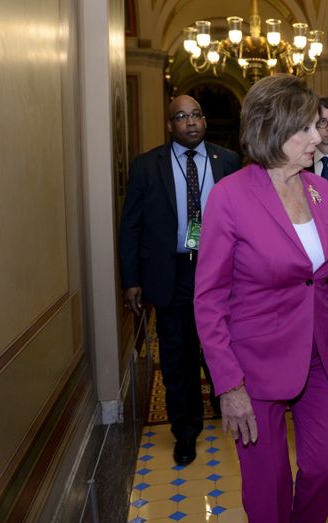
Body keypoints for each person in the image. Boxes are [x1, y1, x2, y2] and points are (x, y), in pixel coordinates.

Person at [194, 74, 328, 523]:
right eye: (307, 128)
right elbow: (209, 299)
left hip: (318, 356)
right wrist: (228, 385)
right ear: (273, 131)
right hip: (253, 367)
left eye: (318, 126)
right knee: (267, 484)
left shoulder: (320, 192)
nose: (319, 137)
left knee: (326, 468)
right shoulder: (230, 197)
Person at [119, 95, 240, 466]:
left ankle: (227, 404)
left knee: (222, 345)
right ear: (170, 124)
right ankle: (186, 432)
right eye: (181, 117)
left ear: (205, 120)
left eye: (196, 115)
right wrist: (131, 279)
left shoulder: (228, 161)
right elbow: (131, 227)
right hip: (171, 273)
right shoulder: (146, 166)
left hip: (219, 271)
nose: (190, 122)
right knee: (177, 356)